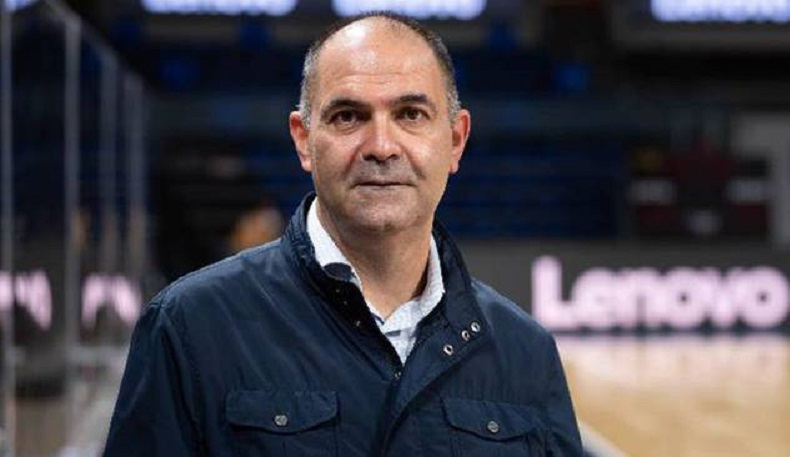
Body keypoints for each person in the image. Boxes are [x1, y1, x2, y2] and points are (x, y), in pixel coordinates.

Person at [103, 12, 583, 456]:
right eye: (348, 116)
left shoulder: (526, 352)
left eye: (410, 114)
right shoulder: (189, 326)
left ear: (455, 140)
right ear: (303, 140)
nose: (381, 146)